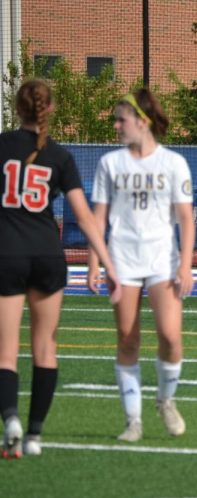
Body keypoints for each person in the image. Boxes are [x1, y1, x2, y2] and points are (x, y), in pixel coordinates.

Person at [1, 79, 122, 459]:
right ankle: (35, 434)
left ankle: (10, 419)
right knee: (46, 349)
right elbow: (85, 218)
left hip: (7, 253)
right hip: (48, 256)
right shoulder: (60, 156)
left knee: (6, 353)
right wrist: (107, 263)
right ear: (50, 110)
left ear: (17, 108)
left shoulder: (1, 147)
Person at [87, 88, 195, 443]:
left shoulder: (173, 163)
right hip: (123, 262)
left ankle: (165, 399)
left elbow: (185, 218)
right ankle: (133, 420)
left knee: (170, 336)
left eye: (122, 119)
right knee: (127, 339)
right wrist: (94, 264)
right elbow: (97, 219)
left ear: (142, 121)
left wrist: (187, 265)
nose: (117, 125)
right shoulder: (110, 164)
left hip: (163, 260)